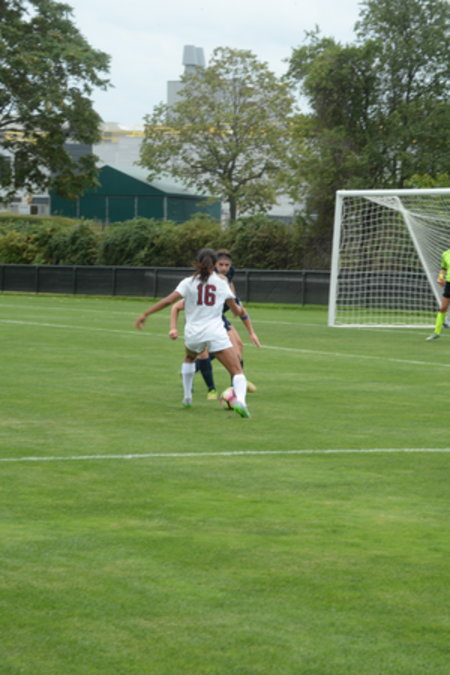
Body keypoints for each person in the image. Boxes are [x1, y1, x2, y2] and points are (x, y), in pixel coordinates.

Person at [135, 248, 252, 418]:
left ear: (197, 262)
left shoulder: (188, 282)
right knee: (237, 371)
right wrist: (240, 310)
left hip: (194, 333)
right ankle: (241, 401)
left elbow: (168, 301)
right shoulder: (222, 283)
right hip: (216, 332)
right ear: (214, 265)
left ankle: (187, 397)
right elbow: (235, 311)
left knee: (190, 358)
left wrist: (146, 314)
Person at [169, 296, 261, 397]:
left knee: (237, 347)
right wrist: (173, 328)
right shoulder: (205, 294)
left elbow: (242, 312)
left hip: (217, 319)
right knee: (203, 354)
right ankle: (211, 390)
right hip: (197, 321)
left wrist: (252, 333)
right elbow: (176, 306)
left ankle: (234, 387)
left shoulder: (230, 296)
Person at [426, 248, 450, 340]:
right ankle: (436, 332)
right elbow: (443, 268)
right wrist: (440, 277)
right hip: (449, 283)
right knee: (443, 308)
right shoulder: (445, 254)